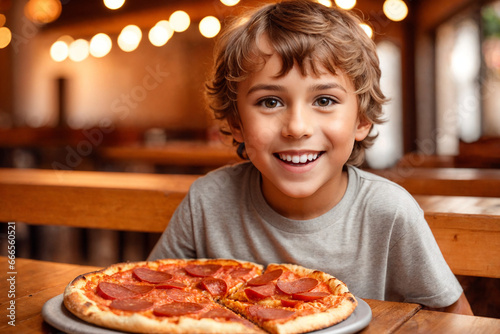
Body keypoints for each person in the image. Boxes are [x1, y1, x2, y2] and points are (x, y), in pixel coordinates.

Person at [149, 0, 472, 315]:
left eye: (325, 99)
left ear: (361, 120)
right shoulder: (206, 202)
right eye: (271, 102)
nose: (297, 127)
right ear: (237, 123)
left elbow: (455, 318)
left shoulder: (389, 212)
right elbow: (148, 293)